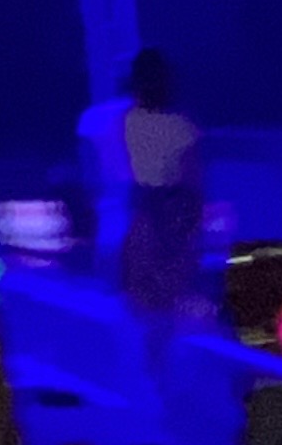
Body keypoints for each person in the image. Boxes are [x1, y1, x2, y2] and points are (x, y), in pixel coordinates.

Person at [78, 47, 206, 321]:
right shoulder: (182, 127)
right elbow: (190, 182)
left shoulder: (111, 120)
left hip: (129, 219)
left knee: (126, 311)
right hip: (165, 219)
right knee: (166, 310)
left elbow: (90, 173)